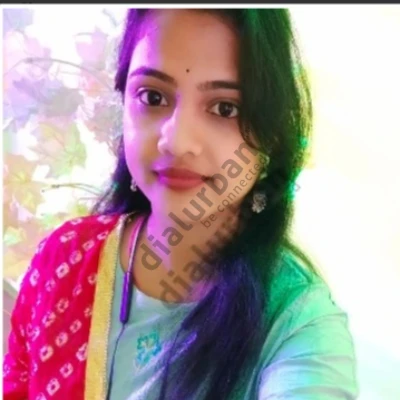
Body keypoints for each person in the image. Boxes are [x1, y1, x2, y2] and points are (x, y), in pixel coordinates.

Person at [3, 9, 359, 400]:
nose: (176, 142)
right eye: (152, 97)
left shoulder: (299, 324)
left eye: (225, 108)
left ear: (272, 136)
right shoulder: (64, 259)